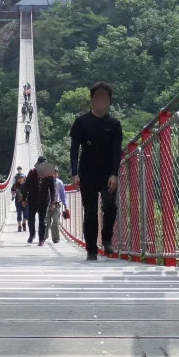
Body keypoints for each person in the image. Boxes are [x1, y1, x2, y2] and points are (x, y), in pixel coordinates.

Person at [70, 81, 122, 261]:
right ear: (92, 100)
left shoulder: (114, 124)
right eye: (98, 97)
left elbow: (117, 151)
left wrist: (114, 174)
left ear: (109, 101)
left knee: (110, 205)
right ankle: (91, 249)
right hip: (87, 173)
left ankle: (106, 237)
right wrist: (75, 173)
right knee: (90, 211)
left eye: (105, 98)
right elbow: (74, 149)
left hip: (107, 173)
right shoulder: (81, 122)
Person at [22, 156, 52, 245]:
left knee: (42, 220)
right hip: (32, 199)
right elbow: (26, 185)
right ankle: (32, 234)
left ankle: (41, 239)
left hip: (44, 200)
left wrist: (53, 201)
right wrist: (24, 198)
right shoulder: (32, 172)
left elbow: (53, 188)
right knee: (31, 219)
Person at [47, 167, 67, 244]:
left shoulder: (59, 183)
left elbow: (63, 195)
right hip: (47, 205)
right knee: (46, 223)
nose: (54, 174)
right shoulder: (46, 182)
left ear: (57, 174)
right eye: (52, 173)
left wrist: (65, 205)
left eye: (55, 173)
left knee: (55, 221)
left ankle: (55, 238)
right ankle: (43, 237)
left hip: (56, 205)